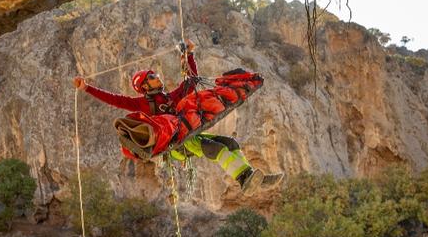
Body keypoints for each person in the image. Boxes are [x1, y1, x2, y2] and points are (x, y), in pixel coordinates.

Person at [73, 40, 280, 191]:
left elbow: (191, 81)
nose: (158, 78)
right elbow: (115, 99)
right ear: (144, 85)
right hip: (175, 145)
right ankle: (245, 178)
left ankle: (250, 178)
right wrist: (87, 88)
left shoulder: (171, 97)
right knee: (215, 148)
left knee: (230, 142)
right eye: (152, 77)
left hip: (186, 135)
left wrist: (188, 55)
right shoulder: (142, 104)